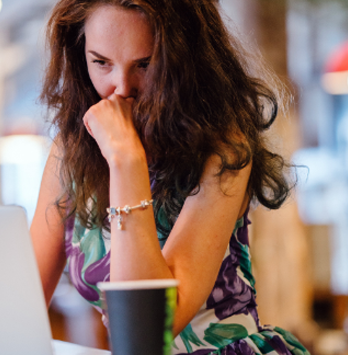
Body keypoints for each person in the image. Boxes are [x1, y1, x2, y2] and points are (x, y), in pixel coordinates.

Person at [31, 0, 310, 354]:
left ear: (184, 60)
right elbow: (22, 301)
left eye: (145, 65)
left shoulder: (222, 147)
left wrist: (125, 159)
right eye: (101, 62)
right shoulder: (71, 149)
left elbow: (149, 326)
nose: (121, 88)